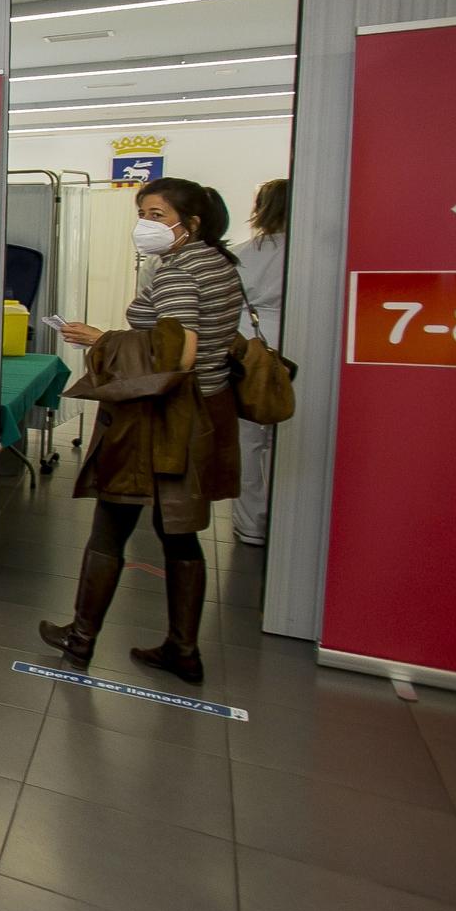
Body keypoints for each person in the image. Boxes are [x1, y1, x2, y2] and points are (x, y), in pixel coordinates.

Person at [40, 178, 243, 685]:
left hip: (159, 417)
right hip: (202, 412)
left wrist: (102, 338)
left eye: (156, 215)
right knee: (179, 532)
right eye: (143, 213)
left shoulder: (177, 272)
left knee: (110, 527)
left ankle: (80, 642)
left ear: (190, 223)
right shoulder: (218, 265)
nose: (144, 225)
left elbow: (177, 356)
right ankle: (183, 648)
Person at [232, 179, 287, 548]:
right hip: (301, 350)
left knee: (249, 440)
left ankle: (252, 522)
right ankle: (292, 519)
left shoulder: (243, 255)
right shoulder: (316, 253)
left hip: (252, 351)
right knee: (292, 440)